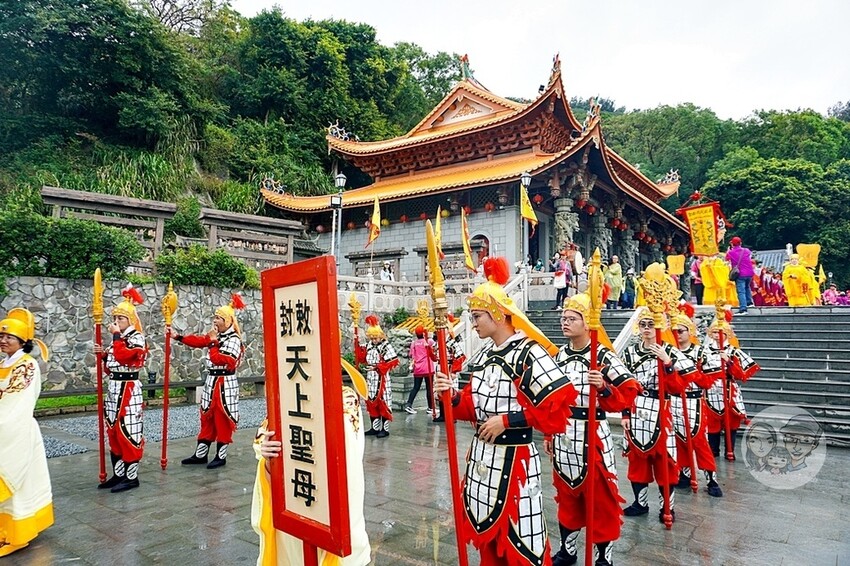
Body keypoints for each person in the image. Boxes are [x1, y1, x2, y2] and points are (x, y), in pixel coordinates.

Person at [434, 256, 576, 566]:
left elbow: (557, 404)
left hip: (516, 460)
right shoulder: (485, 355)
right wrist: (453, 396)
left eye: (477, 316)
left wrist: (507, 420)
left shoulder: (529, 352)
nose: (473, 323)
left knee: (521, 542)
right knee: (489, 546)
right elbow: (474, 405)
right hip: (483, 458)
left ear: (498, 314)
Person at [546, 293, 640, 566]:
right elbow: (552, 398)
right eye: (564, 318)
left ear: (587, 323)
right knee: (567, 494)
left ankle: (603, 556)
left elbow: (628, 392)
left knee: (600, 499)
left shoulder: (602, 355)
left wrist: (603, 387)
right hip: (564, 432)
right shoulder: (560, 355)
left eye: (572, 319)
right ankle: (568, 549)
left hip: (593, 432)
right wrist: (551, 432)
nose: (565, 322)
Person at [252, 373, 371, 565]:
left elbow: (346, 457)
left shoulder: (344, 398)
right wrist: (268, 458)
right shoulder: (285, 396)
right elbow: (264, 447)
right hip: (293, 502)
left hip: (325, 503)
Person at [621, 308, 696, 523]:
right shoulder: (630, 353)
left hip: (660, 407)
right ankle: (640, 502)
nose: (646, 329)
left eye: (650, 324)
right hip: (636, 408)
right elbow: (625, 386)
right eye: (643, 324)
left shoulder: (669, 350)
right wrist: (625, 413)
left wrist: (667, 363)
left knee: (666, 461)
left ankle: (667, 507)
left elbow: (679, 386)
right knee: (637, 461)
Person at [0, 308, 53, 557]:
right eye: (1, 336)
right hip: (6, 428)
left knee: (18, 481)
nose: (3, 340)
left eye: (8, 337)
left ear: (22, 341)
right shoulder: (4, 364)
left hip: (16, 429)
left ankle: (18, 533)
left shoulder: (27, 365)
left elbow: (17, 400)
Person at [175, 293, 246, 468]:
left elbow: (223, 360)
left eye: (219, 318)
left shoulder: (234, 340)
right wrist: (179, 337)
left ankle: (221, 456)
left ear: (228, 321)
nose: (215, 321)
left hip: (225, 382)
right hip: (212, 381)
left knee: (222, 417)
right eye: (215, 317)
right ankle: (201, 454)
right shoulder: (217, 336)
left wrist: (213, 344)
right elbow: (200, 341)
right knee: (207, 416)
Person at [95, 284, 148, 492]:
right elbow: (112, 363)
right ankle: (118, 474)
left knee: (129, 430)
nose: (116, 323)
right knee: (114, 430)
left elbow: (125, 356)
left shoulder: (136, 338)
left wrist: (115, 339)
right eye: (115, 319)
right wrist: (104, 354)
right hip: (114, 387)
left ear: (131, 320)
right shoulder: (119, 340)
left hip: (129, 388)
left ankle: (131, 476)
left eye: (121, 319)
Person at [669, 313, 723, 497]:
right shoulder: (669, 351)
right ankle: (684, 474)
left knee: (699, 440)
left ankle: (711, 478)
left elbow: (710, 379)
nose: (677, 335)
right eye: (674, 331)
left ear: (689, 331)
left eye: (681, 331)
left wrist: (692, 377)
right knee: (678, 439)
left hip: (693, 399)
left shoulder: (700, 352)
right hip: (674, 400)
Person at [702, 317, 760, 461]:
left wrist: (728, 361)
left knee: (731, 422)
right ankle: (713, 450)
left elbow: (741, 375)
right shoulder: (704, 351)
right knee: (711, 423)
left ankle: (730, 450)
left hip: (729, 389)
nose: (717, 335)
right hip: (710, 390)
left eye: (720, 333)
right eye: (714, 332)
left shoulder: (734, 351)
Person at [354, 315, 399, 437]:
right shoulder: (369, 345)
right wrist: (357, 345)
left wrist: (378, 367)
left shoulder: (385, 346)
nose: (374, 340)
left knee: (383, 402)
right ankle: (375, 427)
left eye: (376, 338)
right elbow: (363, 359)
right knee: (371, 401)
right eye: (372, 338)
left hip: (382, 379)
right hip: (370, 378)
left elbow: (392, 361)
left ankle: (384, 429)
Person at [404, 325, 436, 415]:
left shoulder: (414, 343)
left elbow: (411, 354)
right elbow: (435, 347)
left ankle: (409, 404)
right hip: (428, 368)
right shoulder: (428, 341)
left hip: (418, 368)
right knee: (429, 388)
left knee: (415, 387)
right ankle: (430, 407)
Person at [725, 236, 754, 315]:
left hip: (740, 273)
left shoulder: (730, 252)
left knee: (741, 291)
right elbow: (749, 257)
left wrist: (729, 250)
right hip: (750, 273)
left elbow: (726, 260)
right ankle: (750, 303)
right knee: (747, 287)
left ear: (732, 244)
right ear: (740, 243)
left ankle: (743, 309)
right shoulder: (746, 250)